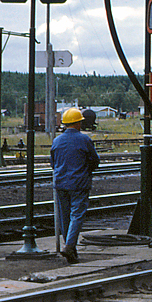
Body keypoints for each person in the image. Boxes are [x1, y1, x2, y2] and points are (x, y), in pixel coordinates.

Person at [51, 107, 100, 263]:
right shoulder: (84, 140)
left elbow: (53, 162)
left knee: (65, 217)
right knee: (76, 215)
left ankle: (70, 248)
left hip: (60, 183)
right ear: (78, 123)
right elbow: (94, 161)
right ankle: (70, 246)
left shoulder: (57, 141)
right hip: (79, 183)